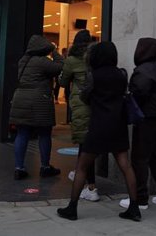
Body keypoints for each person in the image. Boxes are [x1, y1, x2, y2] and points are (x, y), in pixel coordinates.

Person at [57, 42, 141, 221]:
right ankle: (135, 207)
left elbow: (84, 96)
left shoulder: (93, 75)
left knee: (81, 167)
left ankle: (72, 208)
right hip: (118, 125)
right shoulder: (122, 74)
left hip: (99, 126)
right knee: (126, 165)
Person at [120, 37, 156, 210]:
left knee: (140, 157)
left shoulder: (144, 70)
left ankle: (140, 198)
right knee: (154, 154)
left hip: (148, 118)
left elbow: (138, 93)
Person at [9, 35, 64, 180]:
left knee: (22, 134)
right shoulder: (43, 62)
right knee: (44, 133)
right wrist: (54, 51)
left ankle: (19, 168)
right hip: (39, 101)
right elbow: (60, 65)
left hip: (21, 99)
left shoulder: (23, 61)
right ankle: (45, 167)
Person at [59, 30, 99, 201]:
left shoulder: (71, 59)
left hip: (80, 103)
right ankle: (81, 174)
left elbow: (62, 82)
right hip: (96, 102)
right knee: (89, 142)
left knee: (85, 144)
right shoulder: (96, 58)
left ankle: (91, 186)